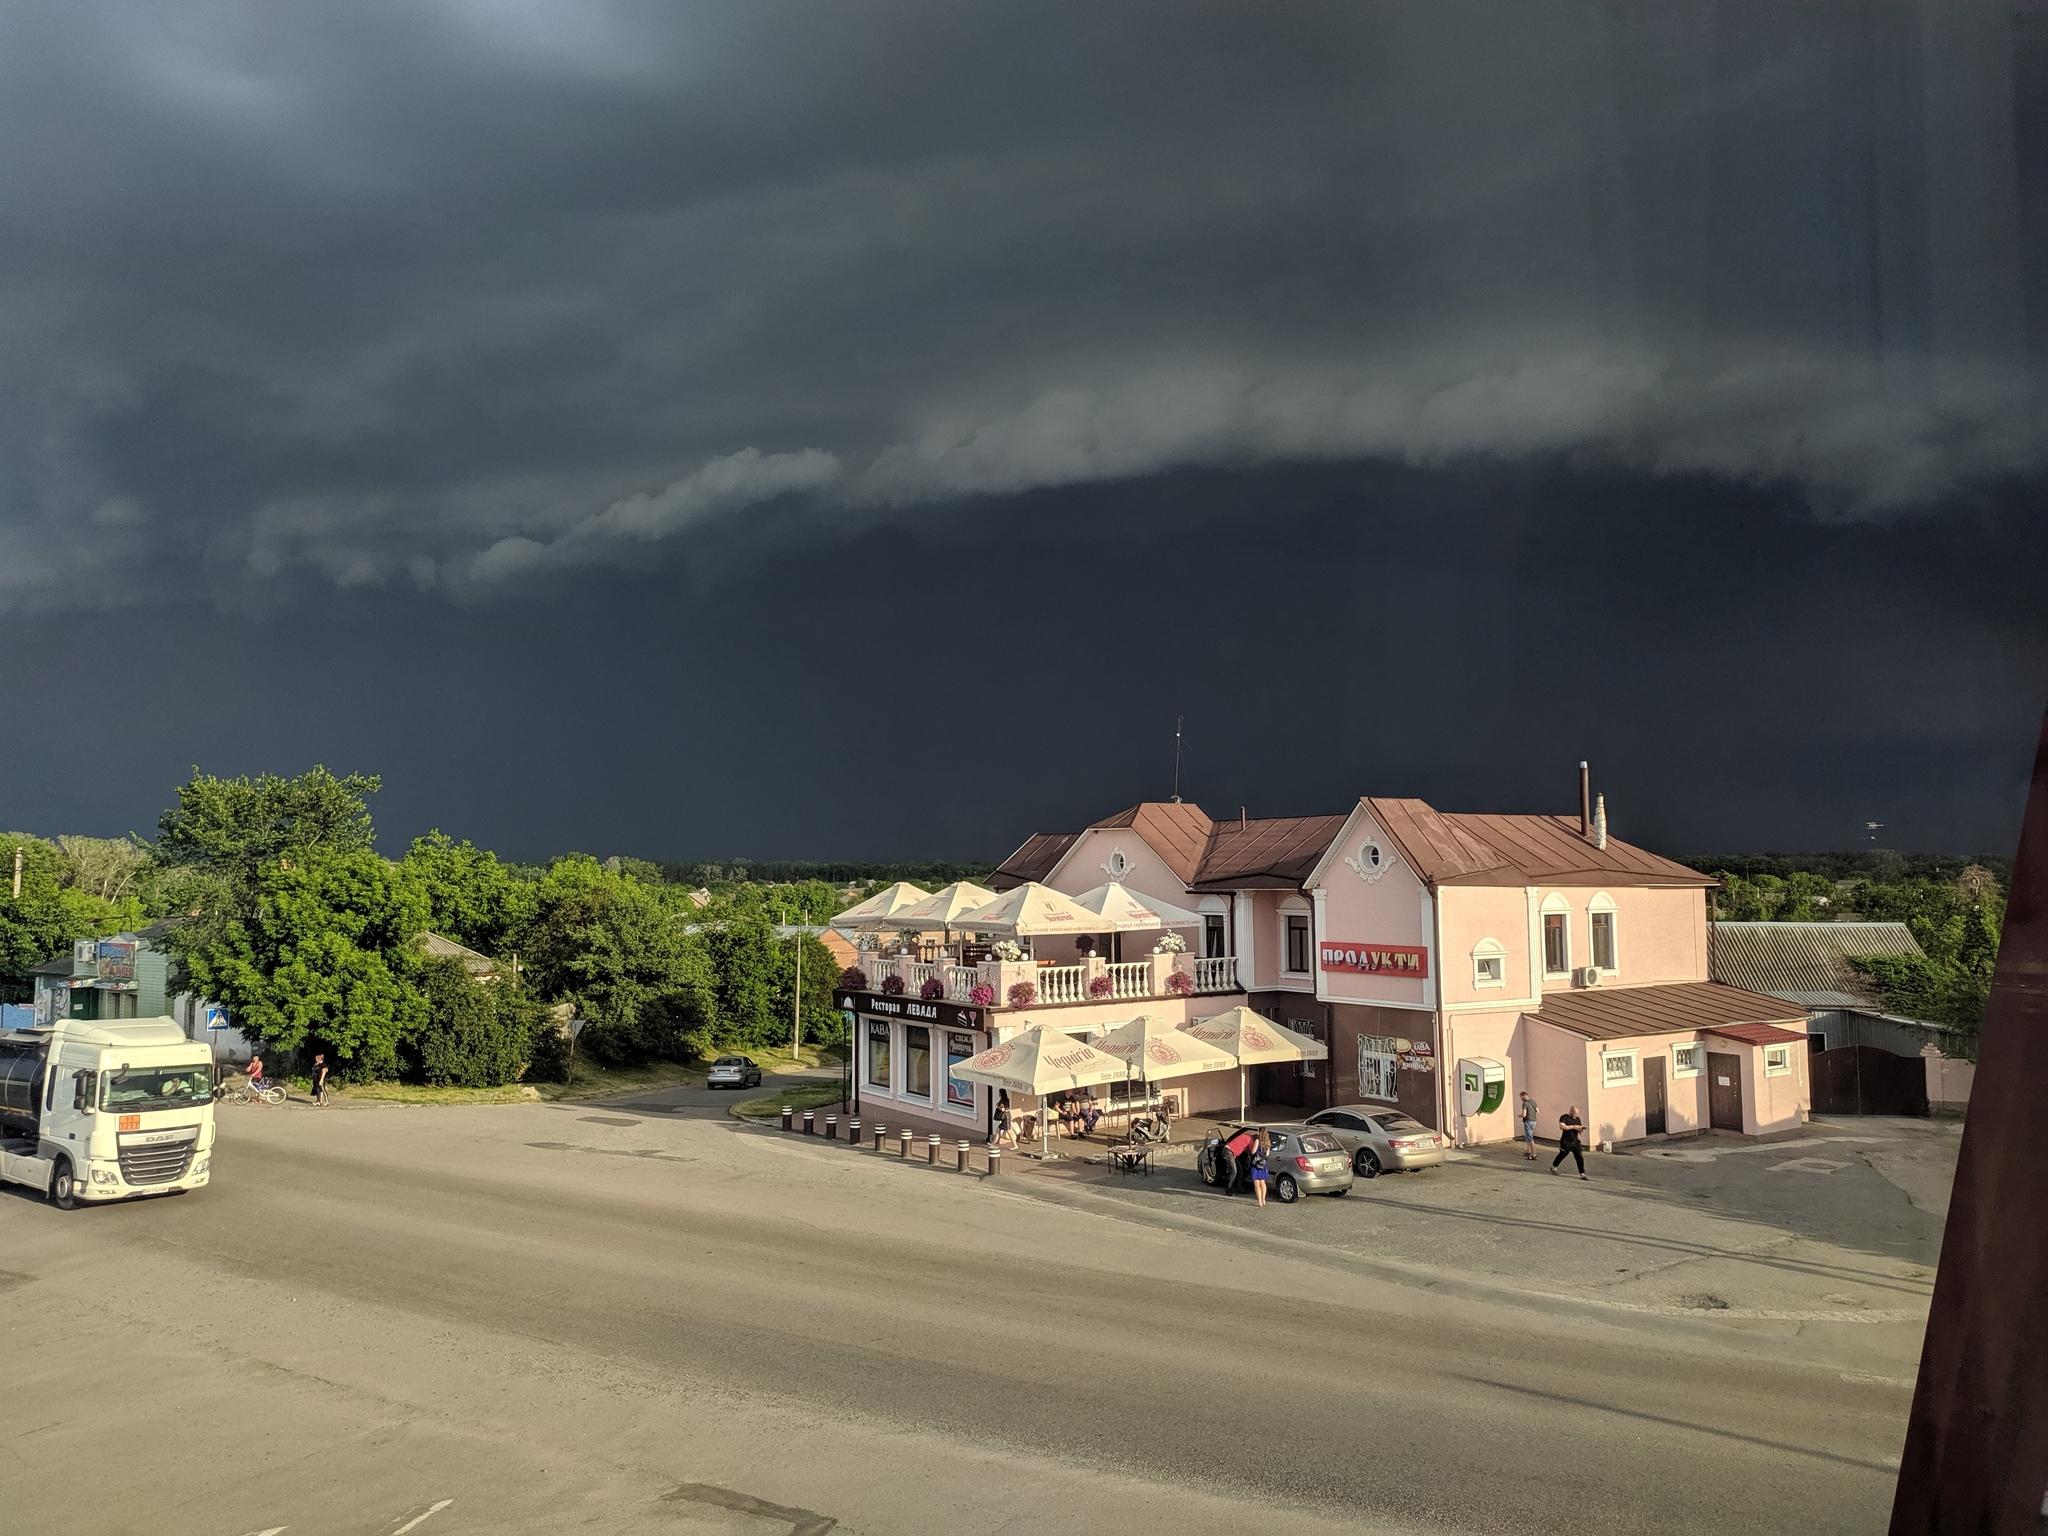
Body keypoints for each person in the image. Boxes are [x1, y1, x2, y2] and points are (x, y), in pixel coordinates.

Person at [1551, 1105, 1589, 1179]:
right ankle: (1554, 1167)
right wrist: (1573, 1127)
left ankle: (1582, 1173)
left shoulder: (1578, 1119)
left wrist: (1580, 1129)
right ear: (1571, 1111)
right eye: (1575, 1113)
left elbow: (1578, 1128)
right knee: (1562, 1155)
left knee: (1579, 1157)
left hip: (1575, 1141)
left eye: (1577, 1114)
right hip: (1566, 1141)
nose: (1576, 1115)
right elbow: (1562, 1127)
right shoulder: (1564, 1117)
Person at [1248, 1130, 1271, 1207]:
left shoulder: (1257, 1140)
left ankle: (1259, 1201)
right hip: (1263, 1165)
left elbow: (1253, 1152)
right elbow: (1267, 1154)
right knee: (1263, 1182)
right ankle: (1263, 1199)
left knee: (1257, 1183)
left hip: (1256, 1164)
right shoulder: (1267, 1142)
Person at [1519, 1091, 1539, 1160]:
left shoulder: (1524, 1104)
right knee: (1528, 1136)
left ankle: (1534, 1155)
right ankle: (1528, 1150)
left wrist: (1520, 1115)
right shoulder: (1533, 1102)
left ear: (1522, 1096)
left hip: (1528, 1121)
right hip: (1534, 1121)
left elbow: (1524, 1115)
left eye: (1521, 1097)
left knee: (1530, 1138)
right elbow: (1538, 1111)